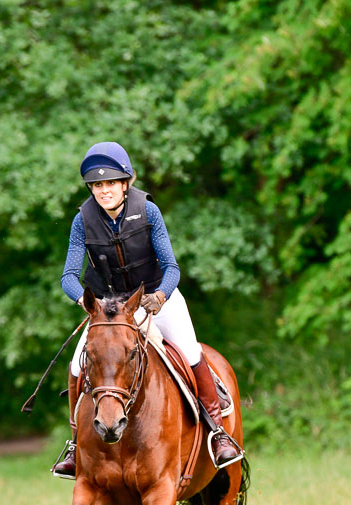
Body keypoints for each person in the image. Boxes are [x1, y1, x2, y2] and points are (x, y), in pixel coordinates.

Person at [53, 141, 240, 478]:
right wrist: (85, 302)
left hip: (155, 296)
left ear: (126, 183)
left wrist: (160, 297)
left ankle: (217, 432)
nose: (104, 190)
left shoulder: (148, 210)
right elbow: (68, 276)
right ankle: (75, 442)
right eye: (97, 185)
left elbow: (172, 268)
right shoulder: (82, 220)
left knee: (190, 351)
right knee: (77, 364)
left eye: (110, 183)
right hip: (110, 310)